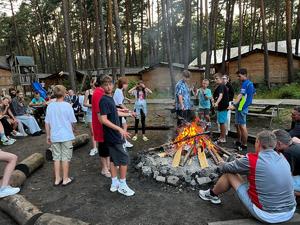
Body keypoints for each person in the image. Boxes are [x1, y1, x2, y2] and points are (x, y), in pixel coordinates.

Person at [199, 130, 296, 224]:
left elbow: (227, 168)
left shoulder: (253, 160)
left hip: (268, 215)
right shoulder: (282, 158)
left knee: (230, 174)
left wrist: (222, 164)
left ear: (258, 142)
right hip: (289, 211)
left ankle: (211, 194)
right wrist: (244, 160)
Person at [99, 75, 135, 197]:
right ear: (102, 86)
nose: (108, 86)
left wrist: (128, 112)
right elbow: (103, 119)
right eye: (105, 85)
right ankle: (123, 185)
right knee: (124, 159)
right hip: (113, 135)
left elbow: (114, 112)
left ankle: (114, 182)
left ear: (113, 85)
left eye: (110, 84)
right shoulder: (103, 100)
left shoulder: (110, 98)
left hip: (113, 135)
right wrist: (120, 128)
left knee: (114, 160)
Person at [45, 85, 77, 186]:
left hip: (55, 136)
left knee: (56, 157)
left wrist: (48, 135)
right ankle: (65, 178)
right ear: (64, 93)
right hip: (66, 135)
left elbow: (47, 122)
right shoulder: (67, 105)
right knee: (65, 157)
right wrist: (74, 129)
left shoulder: (50, 106)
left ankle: (57, 179)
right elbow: (73, 121)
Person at [228, 68, 255, 152]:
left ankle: (244, 145)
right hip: (240, 107)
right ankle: (239, 141)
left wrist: (233, 104)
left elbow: (240, 95)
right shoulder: (249, 84)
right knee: (238, 125)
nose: (238, 78)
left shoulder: (246, 84)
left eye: (239, 76)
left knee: (242, 126)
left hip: (242, 108)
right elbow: (254, 93)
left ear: (245, 75)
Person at [91, 77, 111, 177]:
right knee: (103, 146)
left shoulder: (100, 92)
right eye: (106, 83)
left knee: (106, 146)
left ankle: (108, 166)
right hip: (101, 124)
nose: (109, 86)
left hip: (103, 123)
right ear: (101, 84)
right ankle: (104, 168)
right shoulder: (98, 93)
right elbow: (100, 111)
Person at [273, 129, 300, 194]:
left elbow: (287, 174)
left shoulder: (288, 152)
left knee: (275, 182)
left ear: (279, 143)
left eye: (272, 143)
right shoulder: (295, 144)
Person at [114, 77, 133, 148]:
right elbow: (120, 103)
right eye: (126, 84)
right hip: (118, 109)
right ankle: (122, 142)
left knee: (124, 125)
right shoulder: (118, 91)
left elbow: (122, 97)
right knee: (121, 126)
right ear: (123, 84)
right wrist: (128, 110)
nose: (127, 85)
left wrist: (127, 99)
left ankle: (124, 141)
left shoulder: (119, 90)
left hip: (119, 109)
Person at [213, 73, 229, 143]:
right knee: (221, 122)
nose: (215, 80)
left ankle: (223, 138)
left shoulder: (222, 86)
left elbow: (221, 95)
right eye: (215, 79)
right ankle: (221, 136)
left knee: (222, 123)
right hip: (221, 107)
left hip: (223, 107)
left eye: (217, 78)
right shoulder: (220, 86)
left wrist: (216, 103)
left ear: (221, 79)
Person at [84, 79, 98, 156]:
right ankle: (95, 148)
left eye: (96, 82)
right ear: (91, 83)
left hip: (99, 113)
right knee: (92, 131)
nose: (95, 84)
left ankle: (103, 146)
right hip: (90, 112)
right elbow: (84, 103)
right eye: (94, 82)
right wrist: (92, 105)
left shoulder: (100, 91)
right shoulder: (88, 92)